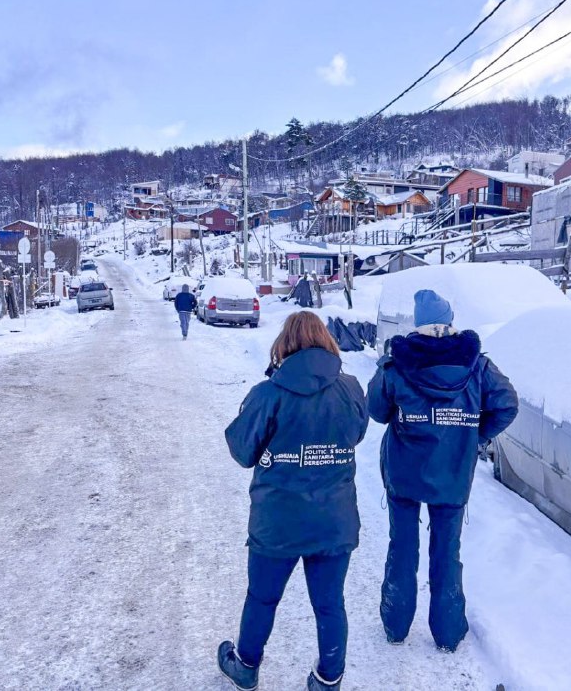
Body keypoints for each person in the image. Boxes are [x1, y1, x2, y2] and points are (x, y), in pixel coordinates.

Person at [218, 312, 368, 691]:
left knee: (262, 597)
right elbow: (357, 433)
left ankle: (246, 665)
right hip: (334, 519)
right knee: (330, 603)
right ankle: (328, 679)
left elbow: (242, 451)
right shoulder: (351, 389)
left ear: (284, 345)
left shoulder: (268, 394)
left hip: (278, 522)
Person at [367, 289, 518, 652]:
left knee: (402, 549)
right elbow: (507, 405)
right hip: (452, 474)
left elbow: (377, 410)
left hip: (404, 473)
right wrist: (473, 436)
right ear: (450, 323)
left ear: (418, 324)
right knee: (447, 552)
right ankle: (448, 633)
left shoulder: (397, 363)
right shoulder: (477, 365)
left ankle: (396, 626)